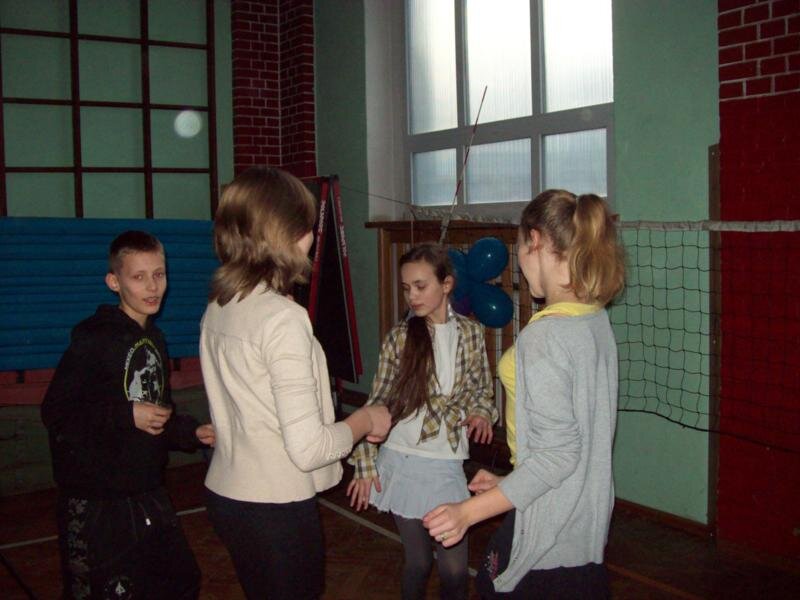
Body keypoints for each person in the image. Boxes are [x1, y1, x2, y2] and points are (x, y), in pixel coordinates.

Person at [199, 166, 391, 600]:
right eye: (305, 228)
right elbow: (309, 449)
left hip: (228, 496)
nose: (311, 238)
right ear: (283, 234)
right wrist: (366, 419)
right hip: (274, 507)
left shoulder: (221, 304)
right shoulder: (283, 319)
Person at [423, 190, 626, 599]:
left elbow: (558, 454)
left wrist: (468, 513)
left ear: (534, 241)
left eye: (518, 247)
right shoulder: (594, 318)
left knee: (492, 584)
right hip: (581, 523)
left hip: (551, 533)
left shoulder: (545, 337)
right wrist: (510, 482)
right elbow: (567, 441)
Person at [41, 230, 216, 600]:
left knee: (181, 583)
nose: (152, 287)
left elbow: (156, 413)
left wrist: (191, 433)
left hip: (146, 491)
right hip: (97, 502)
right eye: (138, 277)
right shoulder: (94, 338)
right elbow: (57, 412)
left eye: (159, 274)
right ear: (114, 282)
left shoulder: (154, 339)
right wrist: (125, 414)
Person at [347, 243, 497, 600]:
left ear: (446, 284)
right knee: (418, 562)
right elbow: (376, 403)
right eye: (406, 288)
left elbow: (482, 390)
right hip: (402, 459)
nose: (412, 296)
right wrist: (365, 465)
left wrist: (481, 412)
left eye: (420, 286)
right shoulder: (401, 337)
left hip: (446, 462)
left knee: (454, 570)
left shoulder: (471, 333)